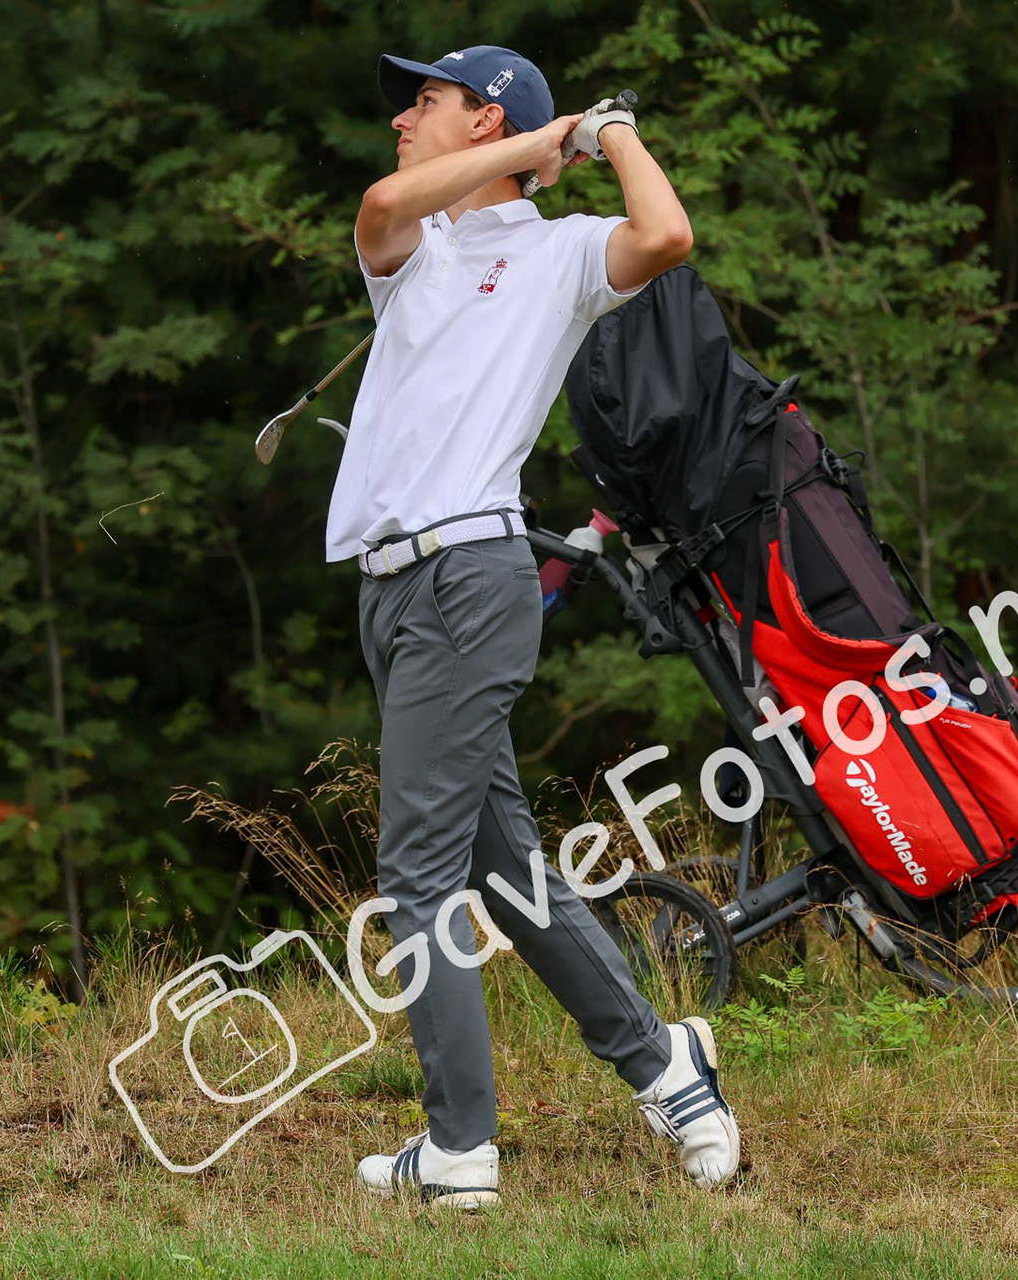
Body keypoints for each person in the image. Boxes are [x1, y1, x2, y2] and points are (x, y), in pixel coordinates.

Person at [330, 45, 740, 1209]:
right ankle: (671, 1070)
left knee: (415, 876)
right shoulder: (416, 251)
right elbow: (378, 206)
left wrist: (606, 134)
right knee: (508, 875)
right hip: (392, 591)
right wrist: (539, 143)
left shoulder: (560, 254)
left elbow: (664, 235)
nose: (405, 119)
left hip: (470, 575)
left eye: (427, 101)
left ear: (489, 116)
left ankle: (459, 1147)